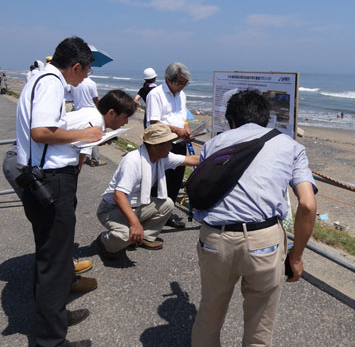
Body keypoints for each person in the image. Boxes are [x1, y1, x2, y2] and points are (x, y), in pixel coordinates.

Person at [191, 90, 317, 347]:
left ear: (231, 120)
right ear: (265, 119)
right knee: (260, 324)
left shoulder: (213, 144)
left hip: (216, 237)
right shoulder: (291, 147)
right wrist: (296, 256)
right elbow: (307, 204)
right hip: (265, 241)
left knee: (209, 312)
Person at [16, 36, 103, 347]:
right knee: (55, 262)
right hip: (52, 180)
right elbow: (42, 131)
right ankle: (50, 340)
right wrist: (86, 134)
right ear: (76, 66)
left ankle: (53, 317)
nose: (86, 77)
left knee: (49, 256)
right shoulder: (52, 83)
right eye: (87, 71)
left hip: (41, 178)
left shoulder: (41, 78)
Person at [3, 89, 137, 276]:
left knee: (50, 222)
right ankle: (60, 274)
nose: (126, 122)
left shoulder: (90, 113)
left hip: (21, 158)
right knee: (52, 222)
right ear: (111, 113)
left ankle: (58, 270)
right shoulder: (95, 122)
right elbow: (79, 163)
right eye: (125, 117)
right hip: (23, 162)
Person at [95, 123, 199, 258]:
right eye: (167, 143)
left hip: (136, 206)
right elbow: (118, 195)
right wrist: (135, 224)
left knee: (167, 204)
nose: (171, 147)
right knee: (125, 236)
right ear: (155, 146)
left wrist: (220, 155)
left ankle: (145, 237)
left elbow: (191, 160)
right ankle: (104, 242)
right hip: (111, 209)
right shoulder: (133, 160)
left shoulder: (162, 157)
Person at [146, 62, 192, 228]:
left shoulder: (182, 95)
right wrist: (176, 130)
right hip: (160, 144)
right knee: (158, 180)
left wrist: (186, 128)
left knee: (176, 179)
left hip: (179, 142)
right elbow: (154, 122)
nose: (181, 86)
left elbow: (183, 115)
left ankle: (167, 214)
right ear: (168, 79)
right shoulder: (155, 94)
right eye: (179, 82)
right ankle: (151, 215)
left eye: (184, 83)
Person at [70, 76, 105, 166]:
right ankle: (95, 159)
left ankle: (82, 157)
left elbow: (71, 95)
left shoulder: (74, 82)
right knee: (94, 136)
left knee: (81, 136)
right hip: (90, 112)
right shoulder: (91, 83)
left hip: (77, 110)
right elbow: (95, 99)